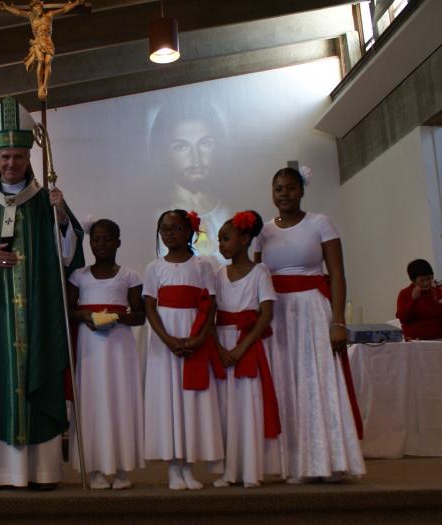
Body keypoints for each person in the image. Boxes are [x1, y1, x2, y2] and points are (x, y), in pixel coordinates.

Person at [0, 95, 83, 489]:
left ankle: (41, 471)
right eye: (5, 157)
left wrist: (62, 220)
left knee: (36, 381)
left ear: (30, 157)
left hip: (37, 315)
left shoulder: (46, 201)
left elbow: (69, 257)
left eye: (19, 157)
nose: (12, 164)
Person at [253, 167, 364, 483]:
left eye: (289, 187)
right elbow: (259, 276)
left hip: (313, 310)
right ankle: (292, 464)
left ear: (301, 190)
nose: (283, 193)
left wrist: (338, 321)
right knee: (284, 382)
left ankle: (328, 461)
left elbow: (338, 274)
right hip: (277, 314)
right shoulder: (263, 231)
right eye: (277, 188)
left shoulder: (320, 223)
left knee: (318, 381)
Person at [143, 209, 224, 490]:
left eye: (176, 228)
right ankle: (172, 467)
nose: (169, 234)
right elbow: (150, 306)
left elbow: (210, 303)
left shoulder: (203, 265)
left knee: (190, 401)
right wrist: (167, 338)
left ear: (189, 231)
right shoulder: (154, 267)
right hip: (164, 339)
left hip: (193, 334)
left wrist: (200, 337)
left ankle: (189, 465)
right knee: (168, 399)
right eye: (164, 229)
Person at [66, 218, 145, 490]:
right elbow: (68, 311)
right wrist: (85, 314)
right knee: (93, 402)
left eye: (107, 239)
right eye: (96, 239)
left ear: (118, 242)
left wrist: (116, 317)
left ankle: (122, 468)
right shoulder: (79, 276)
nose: (101, 244)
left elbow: (139, 316)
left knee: (120, 401)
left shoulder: (130, 276)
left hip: (119, 348)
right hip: (90, 349)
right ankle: (96, 467)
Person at [211, 211, 281, 488]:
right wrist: (218, 346)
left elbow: (265, 314)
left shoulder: (260, 272)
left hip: (248, 344)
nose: (221, 244)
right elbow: (211, 313)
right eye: (219, 240)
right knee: (226, 408)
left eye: (226, 238)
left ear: (244, 239)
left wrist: (240, 350)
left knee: (248, 405)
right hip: (223, 342)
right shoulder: (218, 274)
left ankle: (251, 470)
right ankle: (230, 471)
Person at [148, 101, 230, 259]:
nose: (196, 158)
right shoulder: (154, 217)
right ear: (163, 153)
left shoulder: (230, 211)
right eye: (181, 147)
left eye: (205, 144)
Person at [0, 0, 84, 99]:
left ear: (41, 7)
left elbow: (64, 9)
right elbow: (18, 12)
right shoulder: (31, 16)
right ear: (32, 9)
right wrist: (6, 7)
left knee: (47, 62)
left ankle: (45, 86)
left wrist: (76, 3)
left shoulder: (49, 15)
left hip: (48, 42)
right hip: (38, 42)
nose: (36, 9)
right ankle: (40, 86)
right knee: (41, 60)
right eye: (34, 7)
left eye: (38, 6)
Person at [395, 259, 442, 340]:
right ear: (413, 280)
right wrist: (413, 300)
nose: (426, 283)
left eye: (429, 278)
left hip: (439, 340)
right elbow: (403, 319)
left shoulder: (438, 292)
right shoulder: (405, 293)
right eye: (422, 280)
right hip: (415, 343)